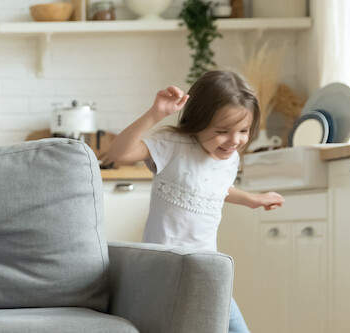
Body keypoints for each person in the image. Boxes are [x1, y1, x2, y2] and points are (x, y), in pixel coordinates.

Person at [108, 70, 285, 333]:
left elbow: (214, 188)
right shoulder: (172, 144)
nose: (234, 141)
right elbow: (117, 153)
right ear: (198, 121)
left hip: (207, 268)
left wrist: (252, 199)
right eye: (223, 131)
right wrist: (154, 114)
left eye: (244, 131)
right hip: (165, 268)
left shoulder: (229, 157)